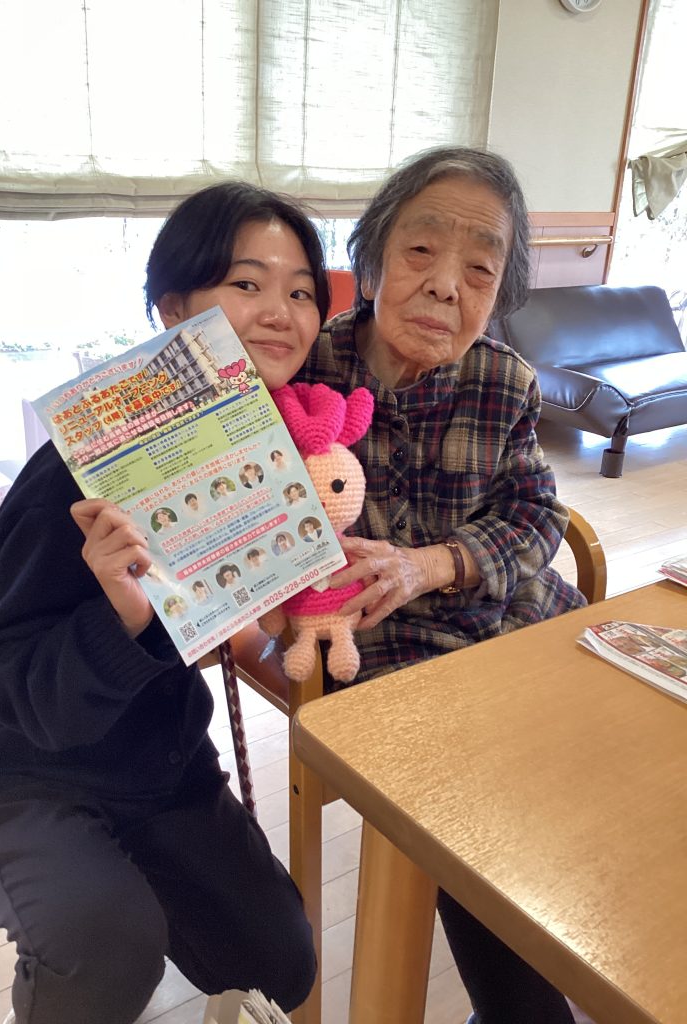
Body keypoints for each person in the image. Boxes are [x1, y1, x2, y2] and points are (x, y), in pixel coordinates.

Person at [0, 180, 330, 1024]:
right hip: (25, 773)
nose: (280, 313)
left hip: (160, 766)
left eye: (302, 293)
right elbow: (13, 681)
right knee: (109, 947)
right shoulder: (70, 475)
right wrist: (121, 616)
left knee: (280, 960)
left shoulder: (265, 452)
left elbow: (242, 618)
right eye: (247, 284)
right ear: (173, 307)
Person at [296, 146, 586, 1024]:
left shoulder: (504, 378)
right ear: (373, 259)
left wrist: (434, 562)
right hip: (386, 645)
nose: (446, 286)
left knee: (620, 758)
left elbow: (537, 512)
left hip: (516, 618)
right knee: (475, 810)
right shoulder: (306, 368)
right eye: (421, 251)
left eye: (480, 270)